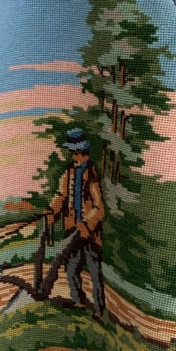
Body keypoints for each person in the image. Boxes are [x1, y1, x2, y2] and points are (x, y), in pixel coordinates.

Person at [38, 128, 106, 318]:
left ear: (82, 151)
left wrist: (86, 225)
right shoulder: (68, 172)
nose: (74, 155)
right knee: (71, 267)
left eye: (76, 152)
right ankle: (79, 301)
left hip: (89, 235)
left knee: (94, 271)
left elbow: (99, 208)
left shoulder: (91, 174)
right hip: (72, 230)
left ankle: (100, 310)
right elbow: (61, 196)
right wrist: (51, 211)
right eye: (72, 152)